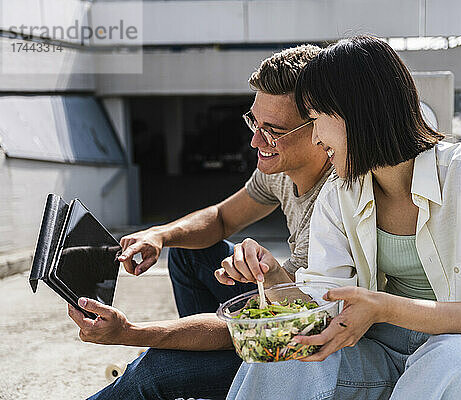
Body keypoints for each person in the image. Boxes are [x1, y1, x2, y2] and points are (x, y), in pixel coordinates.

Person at [221, 36, 461, 400]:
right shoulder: (339, 193)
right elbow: (321, 307)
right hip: (376, 355)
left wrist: (386, 308)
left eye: (316, 120)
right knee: (285, 357)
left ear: (356, 114)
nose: (315, 139)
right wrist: (274, 276)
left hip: (459, 353)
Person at [67, 44, 334, 400]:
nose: (255, 140)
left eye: (273, 130)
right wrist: (161, 235)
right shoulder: (281, 169)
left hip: (297, 349)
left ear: (320, 127)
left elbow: (248, 330)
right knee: (187, 250)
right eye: (254, 122)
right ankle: (201, 384)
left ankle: (195, 376)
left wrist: (134, 332)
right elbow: (222, 218)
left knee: (153, 372)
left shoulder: (336, 203)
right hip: (278, 317)